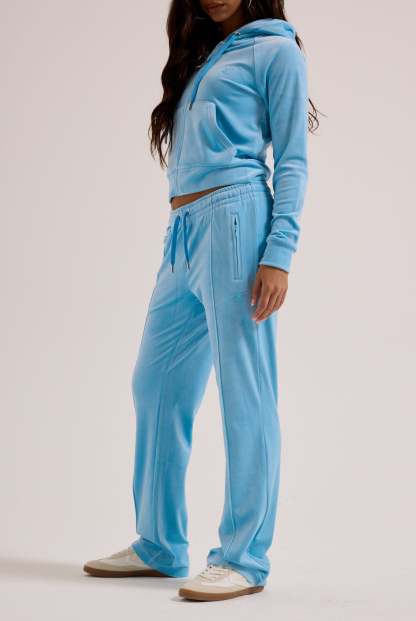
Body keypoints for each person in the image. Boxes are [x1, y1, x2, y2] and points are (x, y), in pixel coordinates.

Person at [83, 0, 318, 602]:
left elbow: (292, 160)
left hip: (237, 222)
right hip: (183, 233)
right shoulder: (205, 54)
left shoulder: (276, 50)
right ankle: (160, 543)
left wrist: (279, 253)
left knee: (245, 393)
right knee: (155, 383)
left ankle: (244, 558)